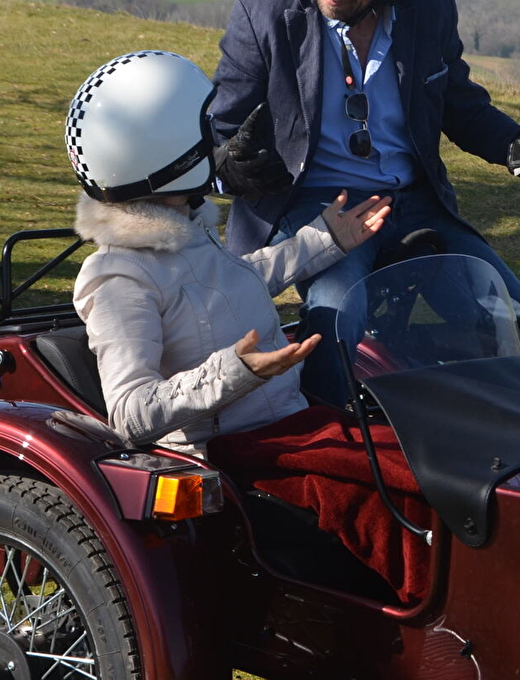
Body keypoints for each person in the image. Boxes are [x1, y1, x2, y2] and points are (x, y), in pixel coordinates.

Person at [207, 0, 520, 406]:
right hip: (317, 203)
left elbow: (462, 110)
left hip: (414, 202)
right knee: (336, 323)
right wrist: (231, 164)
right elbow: (220, 132)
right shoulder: (261, 19)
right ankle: (333, 443)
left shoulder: (430, 13)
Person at [66, 50, 430, 601]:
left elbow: (229, 284)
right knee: (403, 504)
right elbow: (132, 412)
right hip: (235, 458)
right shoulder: (118, 276)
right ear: (166, 151)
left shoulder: (180, 230)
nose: (214, 143)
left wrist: (324, 240)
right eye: (201, 132)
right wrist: (235, 371)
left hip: (290, 428)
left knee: (432, 459)